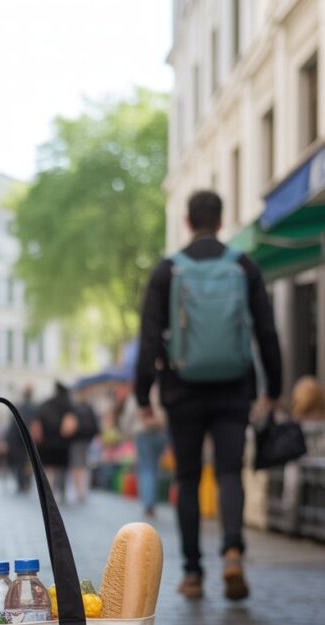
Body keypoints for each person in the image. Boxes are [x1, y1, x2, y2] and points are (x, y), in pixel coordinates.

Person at [136, 190, 282, 601]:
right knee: (230, 472)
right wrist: (275, 386)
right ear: (221, 221)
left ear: (186, 221)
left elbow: (149, 338)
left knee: (187, 476)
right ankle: (233, 551)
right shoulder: (243, 265)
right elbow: (266, 331)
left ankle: (194, 572)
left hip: (182, 390)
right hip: (234, 386)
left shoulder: (168, 271)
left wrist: (143, 395)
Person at [121, 383, 167, 518]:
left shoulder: (140, 390)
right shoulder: (161, 388)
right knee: (155, 467)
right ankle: (152, 501)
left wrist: (127, 432)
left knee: (146, 468)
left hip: (142, 434)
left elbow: (127, 418)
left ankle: (148, 504)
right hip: (161, 433)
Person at [30, 382, 79, 499]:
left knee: (48, 468)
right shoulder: (68, 405)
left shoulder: (45, 404)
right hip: (63, 443)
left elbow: (36, 422)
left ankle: (48, 492)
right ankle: (61, 492)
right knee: (62, 469)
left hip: (45, 443)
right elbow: (73, 424)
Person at [69, 396, 100, 503]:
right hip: (86, 441)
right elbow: (95, 426)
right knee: (83, 466)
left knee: (76, 467)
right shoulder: (89, 408)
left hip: (75, 440)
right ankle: (83, 491)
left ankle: (79, 490)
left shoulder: (72, 408)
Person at [5, 386, 36, 493]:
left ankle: (22, 483)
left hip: (18, 439)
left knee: (21, 463)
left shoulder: (20, 406)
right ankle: (25, 482)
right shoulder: (34, 407)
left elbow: (12, 425)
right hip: (28, 438)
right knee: (28, 461)